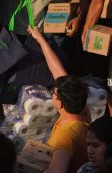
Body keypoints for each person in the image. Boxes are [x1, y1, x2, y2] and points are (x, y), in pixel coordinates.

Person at [28, 26, 90, 173]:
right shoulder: (83, 111)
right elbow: (58, 73)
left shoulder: (65, 136)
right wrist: (41, 39)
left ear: (60, 103)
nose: (52, 94)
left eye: (53, 93)